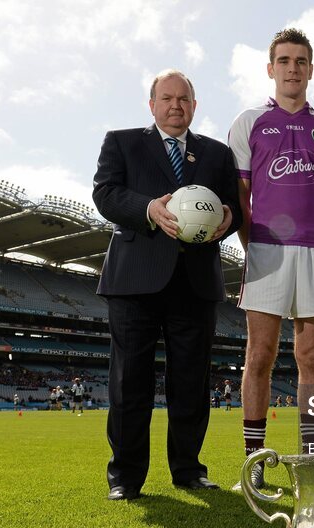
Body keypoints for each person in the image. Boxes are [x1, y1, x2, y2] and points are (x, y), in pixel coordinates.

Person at [93, 68, 240, 500]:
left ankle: (189, 470)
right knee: (129, 383)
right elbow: (105, 194)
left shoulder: (216, 154)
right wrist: (148, 209)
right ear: (152, 104)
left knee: (192, 384)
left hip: (194, 282)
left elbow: (233, 207)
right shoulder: (121, 141)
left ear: (194, 105)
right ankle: (125, 477)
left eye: (184, 99)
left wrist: (229, 219)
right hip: (134, 281)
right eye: (168, 98)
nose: (176, 106)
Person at [229, 28, 314, 488]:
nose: (292, 68)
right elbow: (241, 197)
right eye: (284, 60)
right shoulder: (248, 123)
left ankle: (311, 461)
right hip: (265, 253)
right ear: (271, 68)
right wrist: (252, 243)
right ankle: (254, 464)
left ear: (310, 70)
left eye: (300, 61)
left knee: (311, 358)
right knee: (259, 355)